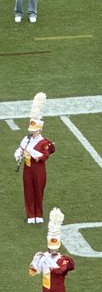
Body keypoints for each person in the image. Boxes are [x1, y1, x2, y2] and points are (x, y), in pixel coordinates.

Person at [14, 94, 54, 223]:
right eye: (31, 130)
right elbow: (20, 149)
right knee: (28, 191)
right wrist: (18, 154)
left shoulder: (44, 142)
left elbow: (44, 156)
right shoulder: (27, 139)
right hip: (27, 168)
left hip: (38, 169)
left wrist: (30, 150)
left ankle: (39, 215)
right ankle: (31, 215)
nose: (32, 132)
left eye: (34, 130)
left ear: (39, 130)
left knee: (38, 190)